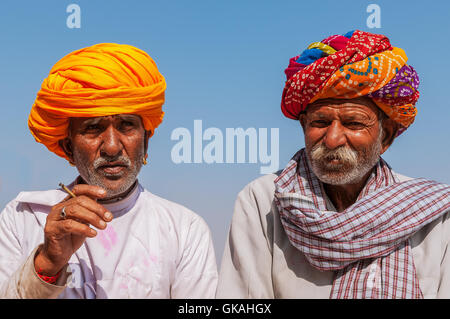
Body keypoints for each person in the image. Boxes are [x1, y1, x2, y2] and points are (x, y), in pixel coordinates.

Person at [217, 30, 450, 299]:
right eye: (320, 122)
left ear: (385, 135)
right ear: (304, 125)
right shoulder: (264, 199)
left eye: (353, 123)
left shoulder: (432, 215)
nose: (332, 139)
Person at [0, 43, 217, 298]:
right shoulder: (25, 218)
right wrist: (47, 263)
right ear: (69, 147)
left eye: (126, 125)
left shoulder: (184, 230)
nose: (112, 147)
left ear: (145, 142)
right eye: (93, 128)